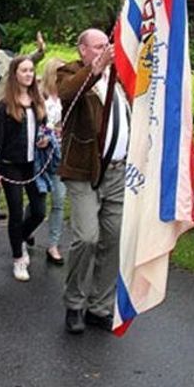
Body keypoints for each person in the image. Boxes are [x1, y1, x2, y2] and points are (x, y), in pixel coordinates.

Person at [56, 28, 130, 333]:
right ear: (83, 50)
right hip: (85, 171)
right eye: (98, 47)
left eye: (107, 46)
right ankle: (74, 303)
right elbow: (67, 93)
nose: (105, 51)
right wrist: (95, 70)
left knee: (113, 239)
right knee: (87, 237)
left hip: (118, 172)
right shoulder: (71, 73)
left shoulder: (121, 78)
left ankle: (100, 305)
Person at [0, 55, 50, 282]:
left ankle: (21, 237)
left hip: (33, 164)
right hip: (10, 165)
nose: (28, 74)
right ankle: (18, 258)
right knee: (15, 212)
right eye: (24, 70)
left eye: (31, 70)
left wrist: (45, 139)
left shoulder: (37, 101)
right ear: (14, 74)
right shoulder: (4, 106)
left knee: (38, 211)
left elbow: (44, 129)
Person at [41, 57, 67, 266]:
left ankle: (53, 244)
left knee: (59, 200)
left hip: (61, 154)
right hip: (42, 155)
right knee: (38, 201)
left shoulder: (68, 97)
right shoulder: (40, 97)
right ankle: (25, 231)